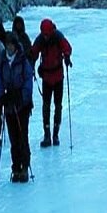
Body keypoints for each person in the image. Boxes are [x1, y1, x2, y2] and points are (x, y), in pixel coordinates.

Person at [0, 31, 34, 182]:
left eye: (11, 44)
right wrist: (2, 97)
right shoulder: (3, 62)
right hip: (10, 106)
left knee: (22, 136)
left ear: (15, 45)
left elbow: (28, 82)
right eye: (7, 44)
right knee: (13, 138)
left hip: (22, 106)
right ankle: (16, 166)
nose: (9, 47)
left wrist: (21, 97)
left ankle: (24, 166)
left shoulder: (23, 61)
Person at [31, 18, 72, 147]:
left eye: (47, 34)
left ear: (51, 31)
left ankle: (55, 134)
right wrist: (31, 62)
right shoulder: (40, 39)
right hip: (47, 77)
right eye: (44, 34)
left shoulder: (58, 37)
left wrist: (67, 56)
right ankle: (47, 134)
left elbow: (67, 47)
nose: (46, 37)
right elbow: (34, 52)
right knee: (46, 106)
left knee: (57, 105)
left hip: (58, 77)